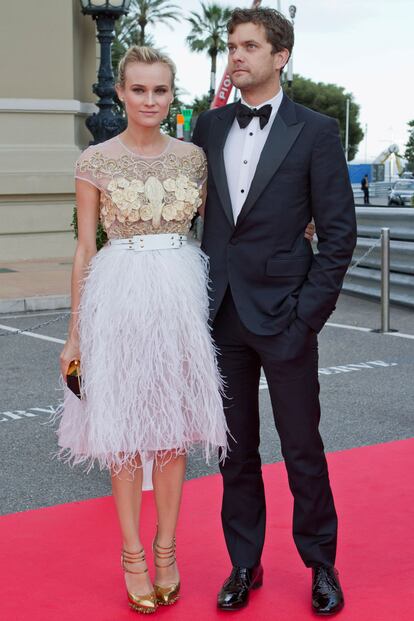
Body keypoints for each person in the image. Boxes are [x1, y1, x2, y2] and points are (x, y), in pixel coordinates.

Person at [192, 7, 356, 616]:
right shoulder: (208, 130)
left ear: (280, 55)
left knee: (301, 448)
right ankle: (244, 562)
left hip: (286, 316)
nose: (236, 56)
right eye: (232, 45)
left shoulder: (314, 132)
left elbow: (339, 234)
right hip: (222, 315)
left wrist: (307, 315)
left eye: (249, 46)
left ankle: (321, 564)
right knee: (234, 452)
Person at [57, 46, 230, 615]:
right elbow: (85, 249)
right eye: (138, 90)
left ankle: (166, 550)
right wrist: (74, 336)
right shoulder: (96, 160)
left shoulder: (194, 159)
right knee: (125, 435)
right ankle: (132, 554)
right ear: (122, 93)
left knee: (172, 434)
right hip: (119, 295)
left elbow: (221, 229)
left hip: (179, 297)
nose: (149, 100)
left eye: (159, 90)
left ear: (171, 94)